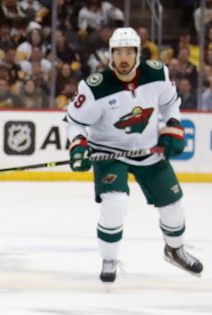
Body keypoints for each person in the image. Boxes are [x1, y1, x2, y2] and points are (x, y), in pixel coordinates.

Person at [65, 27, 203, 283]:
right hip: (109, 153)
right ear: (111, 55)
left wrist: (172, 128)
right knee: (115, 204)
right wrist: (79, 145)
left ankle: (175, 250)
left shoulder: (157, 73)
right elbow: (73, 121)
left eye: (129, 52)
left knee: (173, 205)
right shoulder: (94, 87)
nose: (124, 58)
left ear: (138, 53)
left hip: (149, 150)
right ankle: (109, 258)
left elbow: (171, 103)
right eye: (118, 53)